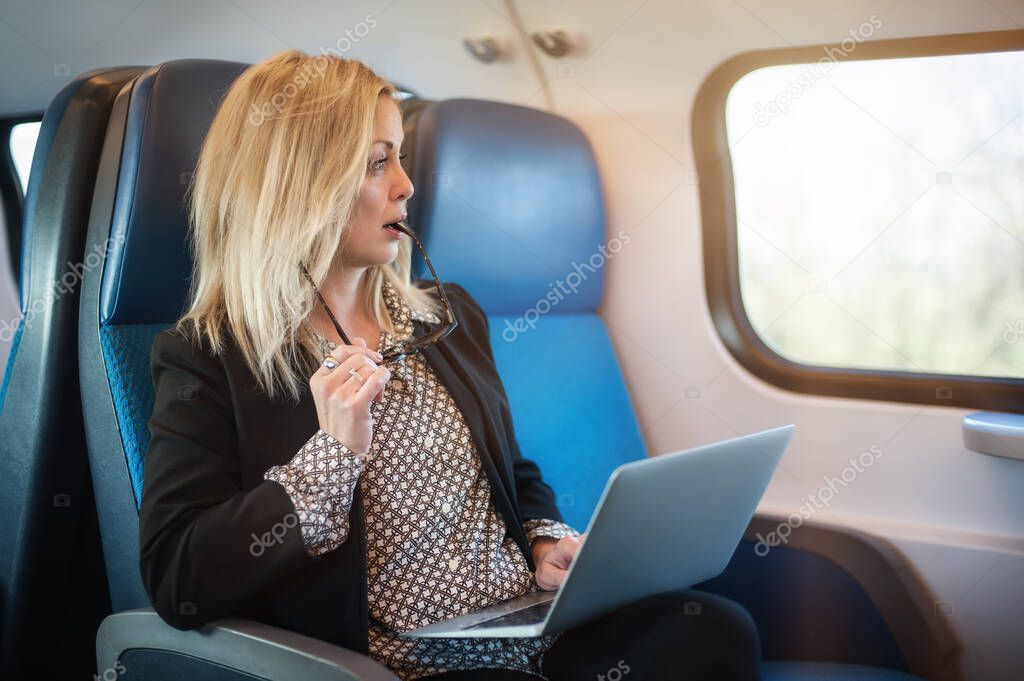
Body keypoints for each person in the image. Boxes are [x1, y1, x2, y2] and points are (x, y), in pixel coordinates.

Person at [138, 49, 761, 681]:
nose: (406, 184)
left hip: (524, 624)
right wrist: (330, 456)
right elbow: (177, 576)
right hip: (403, 665)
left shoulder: (445, 318)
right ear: (301, 185)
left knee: (712, 630)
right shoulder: (209, 358)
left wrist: (544, 543)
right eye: (379, 162)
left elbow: (513, 474)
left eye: (400, 156)